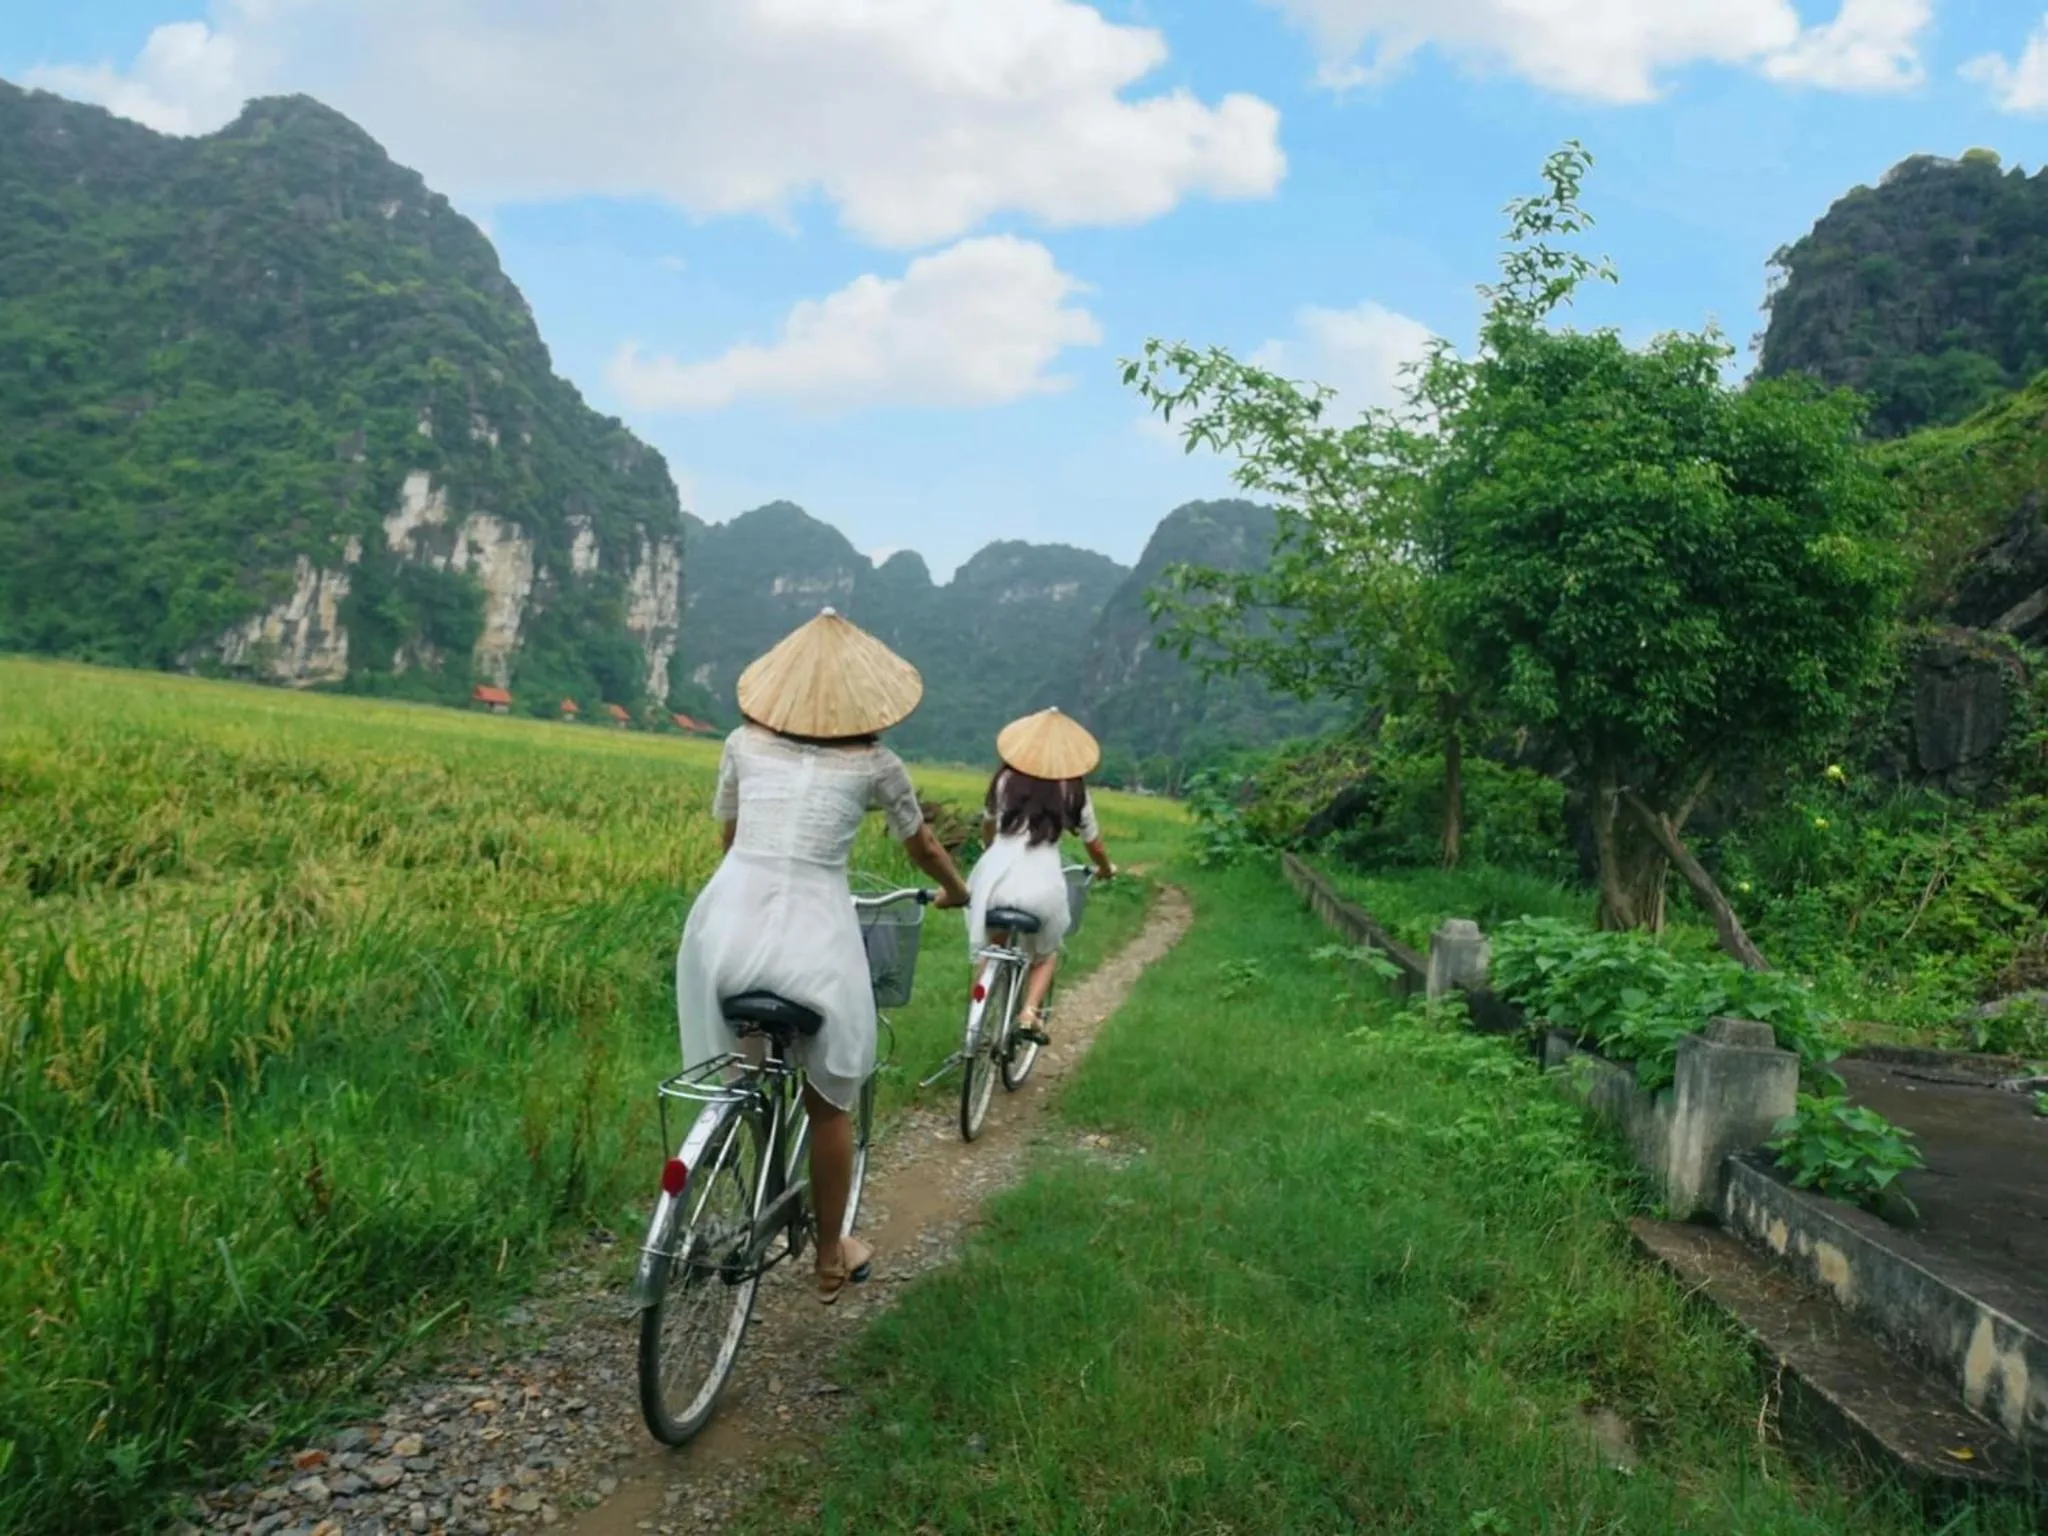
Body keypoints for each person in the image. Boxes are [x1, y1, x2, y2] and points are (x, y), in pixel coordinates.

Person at [675, 608, 970, 1304]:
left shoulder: (742, 745)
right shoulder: (877, 763)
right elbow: (924, 848)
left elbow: (730, 839)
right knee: (829, 1100)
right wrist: (956, 890)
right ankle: (830, 1255)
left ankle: (736, 1176)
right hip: (815, 937)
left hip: (725, 930)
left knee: (743, 1075)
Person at [967, 708, 1117, 1042]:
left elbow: (989, 826)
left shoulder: (1005, 780)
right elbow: (1094, 844)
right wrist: (1106, 870)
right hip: (1042, 883)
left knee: (994, 946)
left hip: (993, 879)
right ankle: (1029, 1012)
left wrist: (992, 849)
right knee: (1046, 954)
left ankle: (977, 1019)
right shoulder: (1074, 791)